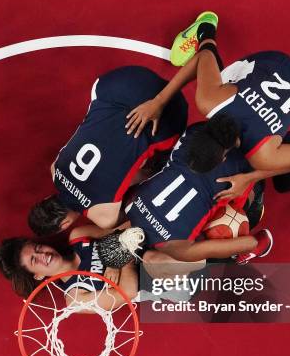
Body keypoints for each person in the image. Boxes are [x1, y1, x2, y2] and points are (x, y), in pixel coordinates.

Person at [126, 12, 290, 221]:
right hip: (271, 62)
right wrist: (158, 101)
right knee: (217, 73)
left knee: (287, 181)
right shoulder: (210, 101)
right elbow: (203, 57)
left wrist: (251, 177)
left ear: (223, 157)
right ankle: (205, 28)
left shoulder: (262, 155)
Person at [28, 65, 188, 236]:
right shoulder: (55, 168)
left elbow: (138, 181)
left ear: (65, 225)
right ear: (46, 199)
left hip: (172, 108)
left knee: (153, 165)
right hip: (126, 79)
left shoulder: (104, 218)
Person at [120, 122, 273, 266]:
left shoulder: (177, 248)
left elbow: (251, 242)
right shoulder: (130, 201)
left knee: (213, 254)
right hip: (245, 150)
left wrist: (251, 177)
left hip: (241, 181)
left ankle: (251, 208)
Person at [0, 224, 203, 310]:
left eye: (38, 248)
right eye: (34, 261)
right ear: (38, 276)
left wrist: (117, 258)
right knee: (158, 261)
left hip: (157, 243)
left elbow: (129, 226)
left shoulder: (78, 236)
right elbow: (129, 291)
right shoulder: (75, 297)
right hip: (164, 281)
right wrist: (117, 255)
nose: (43, 255)